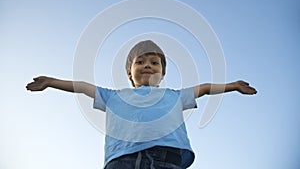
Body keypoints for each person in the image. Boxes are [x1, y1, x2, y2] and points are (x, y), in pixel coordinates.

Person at [26, 40, 257, 169]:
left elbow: (205, 88)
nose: (148, 65)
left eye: (154, 62)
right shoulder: (113, 95)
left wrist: (232, 85)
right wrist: (52, 82)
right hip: (122, 159)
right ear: (130, 72)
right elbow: (83, 86)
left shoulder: (175, 95)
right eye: (140, 62)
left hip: (168, 157)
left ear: (162, 72)